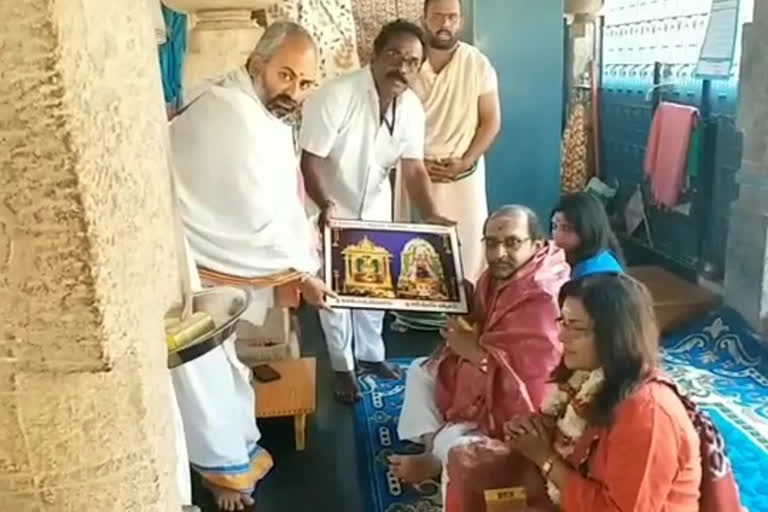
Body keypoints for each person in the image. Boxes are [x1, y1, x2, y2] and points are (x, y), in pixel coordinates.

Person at [168, 22, 334, 511]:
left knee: (227, 368)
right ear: (258, 63)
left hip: (213, 262)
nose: (295, 93)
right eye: (287, 76)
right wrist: (302, 268)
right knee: (201, 373)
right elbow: (253, 217)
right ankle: (222, 476)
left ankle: (235, 456)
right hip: (191, 265)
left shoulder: (253, 108)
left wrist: (302, 255)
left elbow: (273, 199)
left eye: (305, 84)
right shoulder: (230, 115)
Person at [445, 274, 742, 512]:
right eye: (562, 322)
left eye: (575, 327)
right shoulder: (589, 378)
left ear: (612, 336)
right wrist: (538, 431)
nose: (561, 335)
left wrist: (545, 458)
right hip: (569, 494)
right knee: (468, 465)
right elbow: (575, 439)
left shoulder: (647, 413)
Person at [299, 19, 452, 404]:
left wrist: (431, 213)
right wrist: (324, 204)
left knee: (374, 288)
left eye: (412, 61)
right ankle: (342, 367)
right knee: (334, 295)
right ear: (375, 54)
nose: (402, 67)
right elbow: (310, 159)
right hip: (326, 206)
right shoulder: (335, 95)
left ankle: (371, 356)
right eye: (394, 55)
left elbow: (413, 167)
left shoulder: (412, 108)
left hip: (376, 207)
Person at [388, 205, 569, 489]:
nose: (498, 254)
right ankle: (432, 448)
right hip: (480, 372)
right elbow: (485, 322)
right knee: (419, 372)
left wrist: (473, 353)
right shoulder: (501, 273)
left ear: (536, 244)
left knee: (459, 445)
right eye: (492, 243)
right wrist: (466, 303)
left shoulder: (542, 299)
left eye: (511, 242)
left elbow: (532, 391)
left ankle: (439, 456)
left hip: (513, 407)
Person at [391, 0, 501, 334]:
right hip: (414, 168)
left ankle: (462, 317)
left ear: (461, 20)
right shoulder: (408, 62)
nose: (445, 23)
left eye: (452, 17)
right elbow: (388, 116)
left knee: (466, 243)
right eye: (438, 16)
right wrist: (415, 160)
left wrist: (464, 160)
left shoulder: (477, 63)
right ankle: (410, 317)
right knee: (413, 243)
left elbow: (491, 121)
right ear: (424, 17)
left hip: (462, 171)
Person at [551, 192, 624, 279]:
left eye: (566, 228)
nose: (557, 235)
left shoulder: (599, 275)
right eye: (555, 226)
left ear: (588, 230)